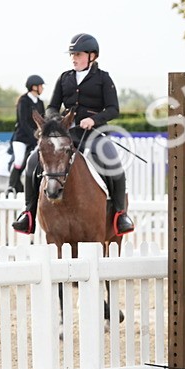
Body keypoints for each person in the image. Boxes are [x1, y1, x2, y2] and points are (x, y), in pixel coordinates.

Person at [12, 33, 135, 236]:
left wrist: (93, 120)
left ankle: (120, 215)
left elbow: (113, 109)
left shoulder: (103, 78)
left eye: (78, 54)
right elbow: (52, 107)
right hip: (66, 134)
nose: (74, 58)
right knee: (33, 162)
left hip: (93, 133)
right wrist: (56, 122)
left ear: (92, 56)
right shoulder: (64, 77)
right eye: (72, 55)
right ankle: (28, 214)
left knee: (114, 166)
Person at [8, 75, 45, 193]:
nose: (42, 88)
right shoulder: (23, 101)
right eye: (41, 86)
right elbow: (23, 122)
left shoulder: (40, 103)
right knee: (19, 160)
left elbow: (42, 120)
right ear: (34, 87)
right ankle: (12, 185)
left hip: (35, 138)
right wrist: (34, 136)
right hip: (21, 138)